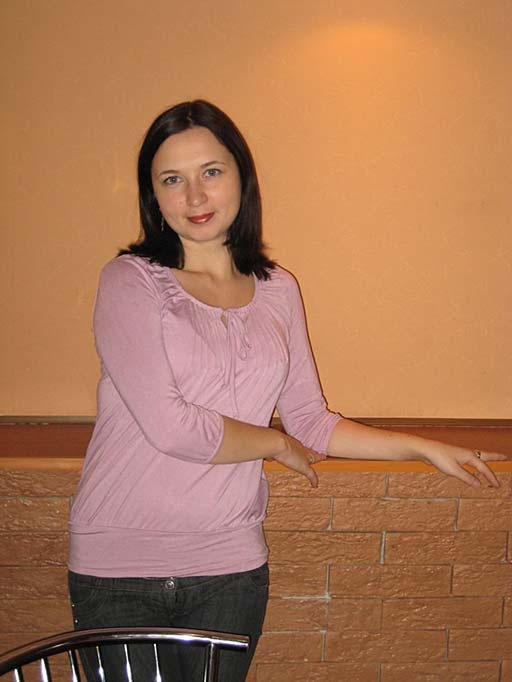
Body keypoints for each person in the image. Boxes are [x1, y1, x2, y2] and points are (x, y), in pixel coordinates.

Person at [68, 100, 507, 682]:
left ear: (242, 178)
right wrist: (273, 444)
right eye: (172, 179)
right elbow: (172, 427)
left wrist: (424, 448)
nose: (195, 196)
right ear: (154, 195)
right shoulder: (130, 281)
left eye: (211, 172)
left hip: (229, 566)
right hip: (118, 567)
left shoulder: (278, 289)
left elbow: (311, 420)